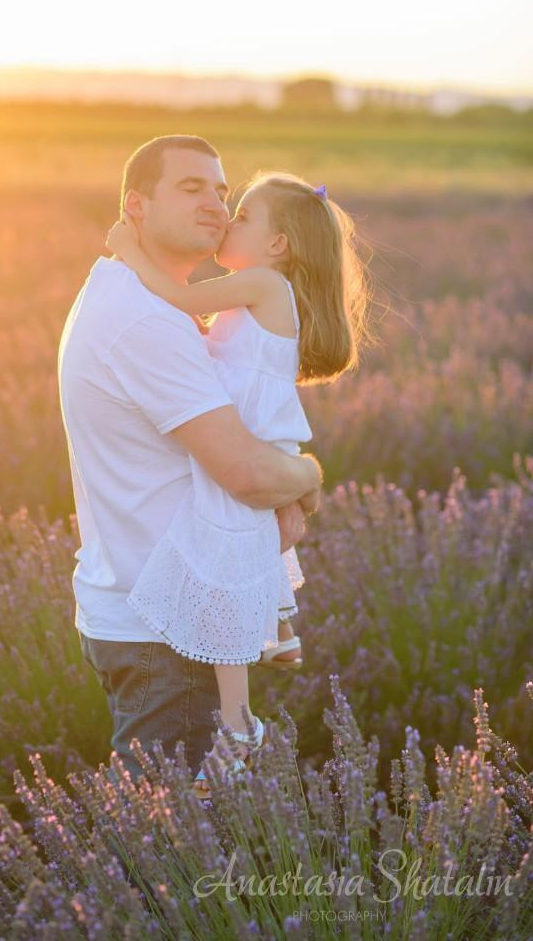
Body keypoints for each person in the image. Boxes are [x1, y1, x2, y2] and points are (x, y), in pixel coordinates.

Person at [57, 136, 323, 787]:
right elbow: (248, 475)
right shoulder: (145, 318)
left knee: (183, 831)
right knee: (174, 838)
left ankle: (268, 650)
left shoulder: (129, 294)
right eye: (191, 187)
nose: (215, 204)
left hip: (159, 612)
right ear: (136, 206)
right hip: (165, 633)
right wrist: (310, 477)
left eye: (222, 192)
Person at [105, 171, 371, 798]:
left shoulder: (262, 283)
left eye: (244, 215)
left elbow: (174, 298)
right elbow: (212, 345)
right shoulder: (259, 291)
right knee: (242, 546)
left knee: (221, 573)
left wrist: (127, 250)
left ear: (277, 245)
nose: (229, 219)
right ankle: (278, 633)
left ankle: (239, 725)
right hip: (261, 439)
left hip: (253, 444)